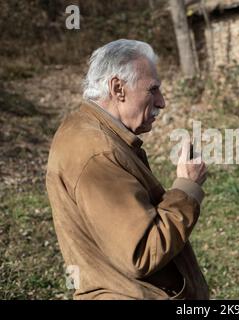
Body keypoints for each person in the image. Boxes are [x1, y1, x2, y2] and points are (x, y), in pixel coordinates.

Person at [46, 39, 209, 299]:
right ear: (118, 88)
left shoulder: (90, 130)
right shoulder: (98, 153)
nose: (162, 102)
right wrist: (186, 188)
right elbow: (142, 253)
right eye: (153, 89)